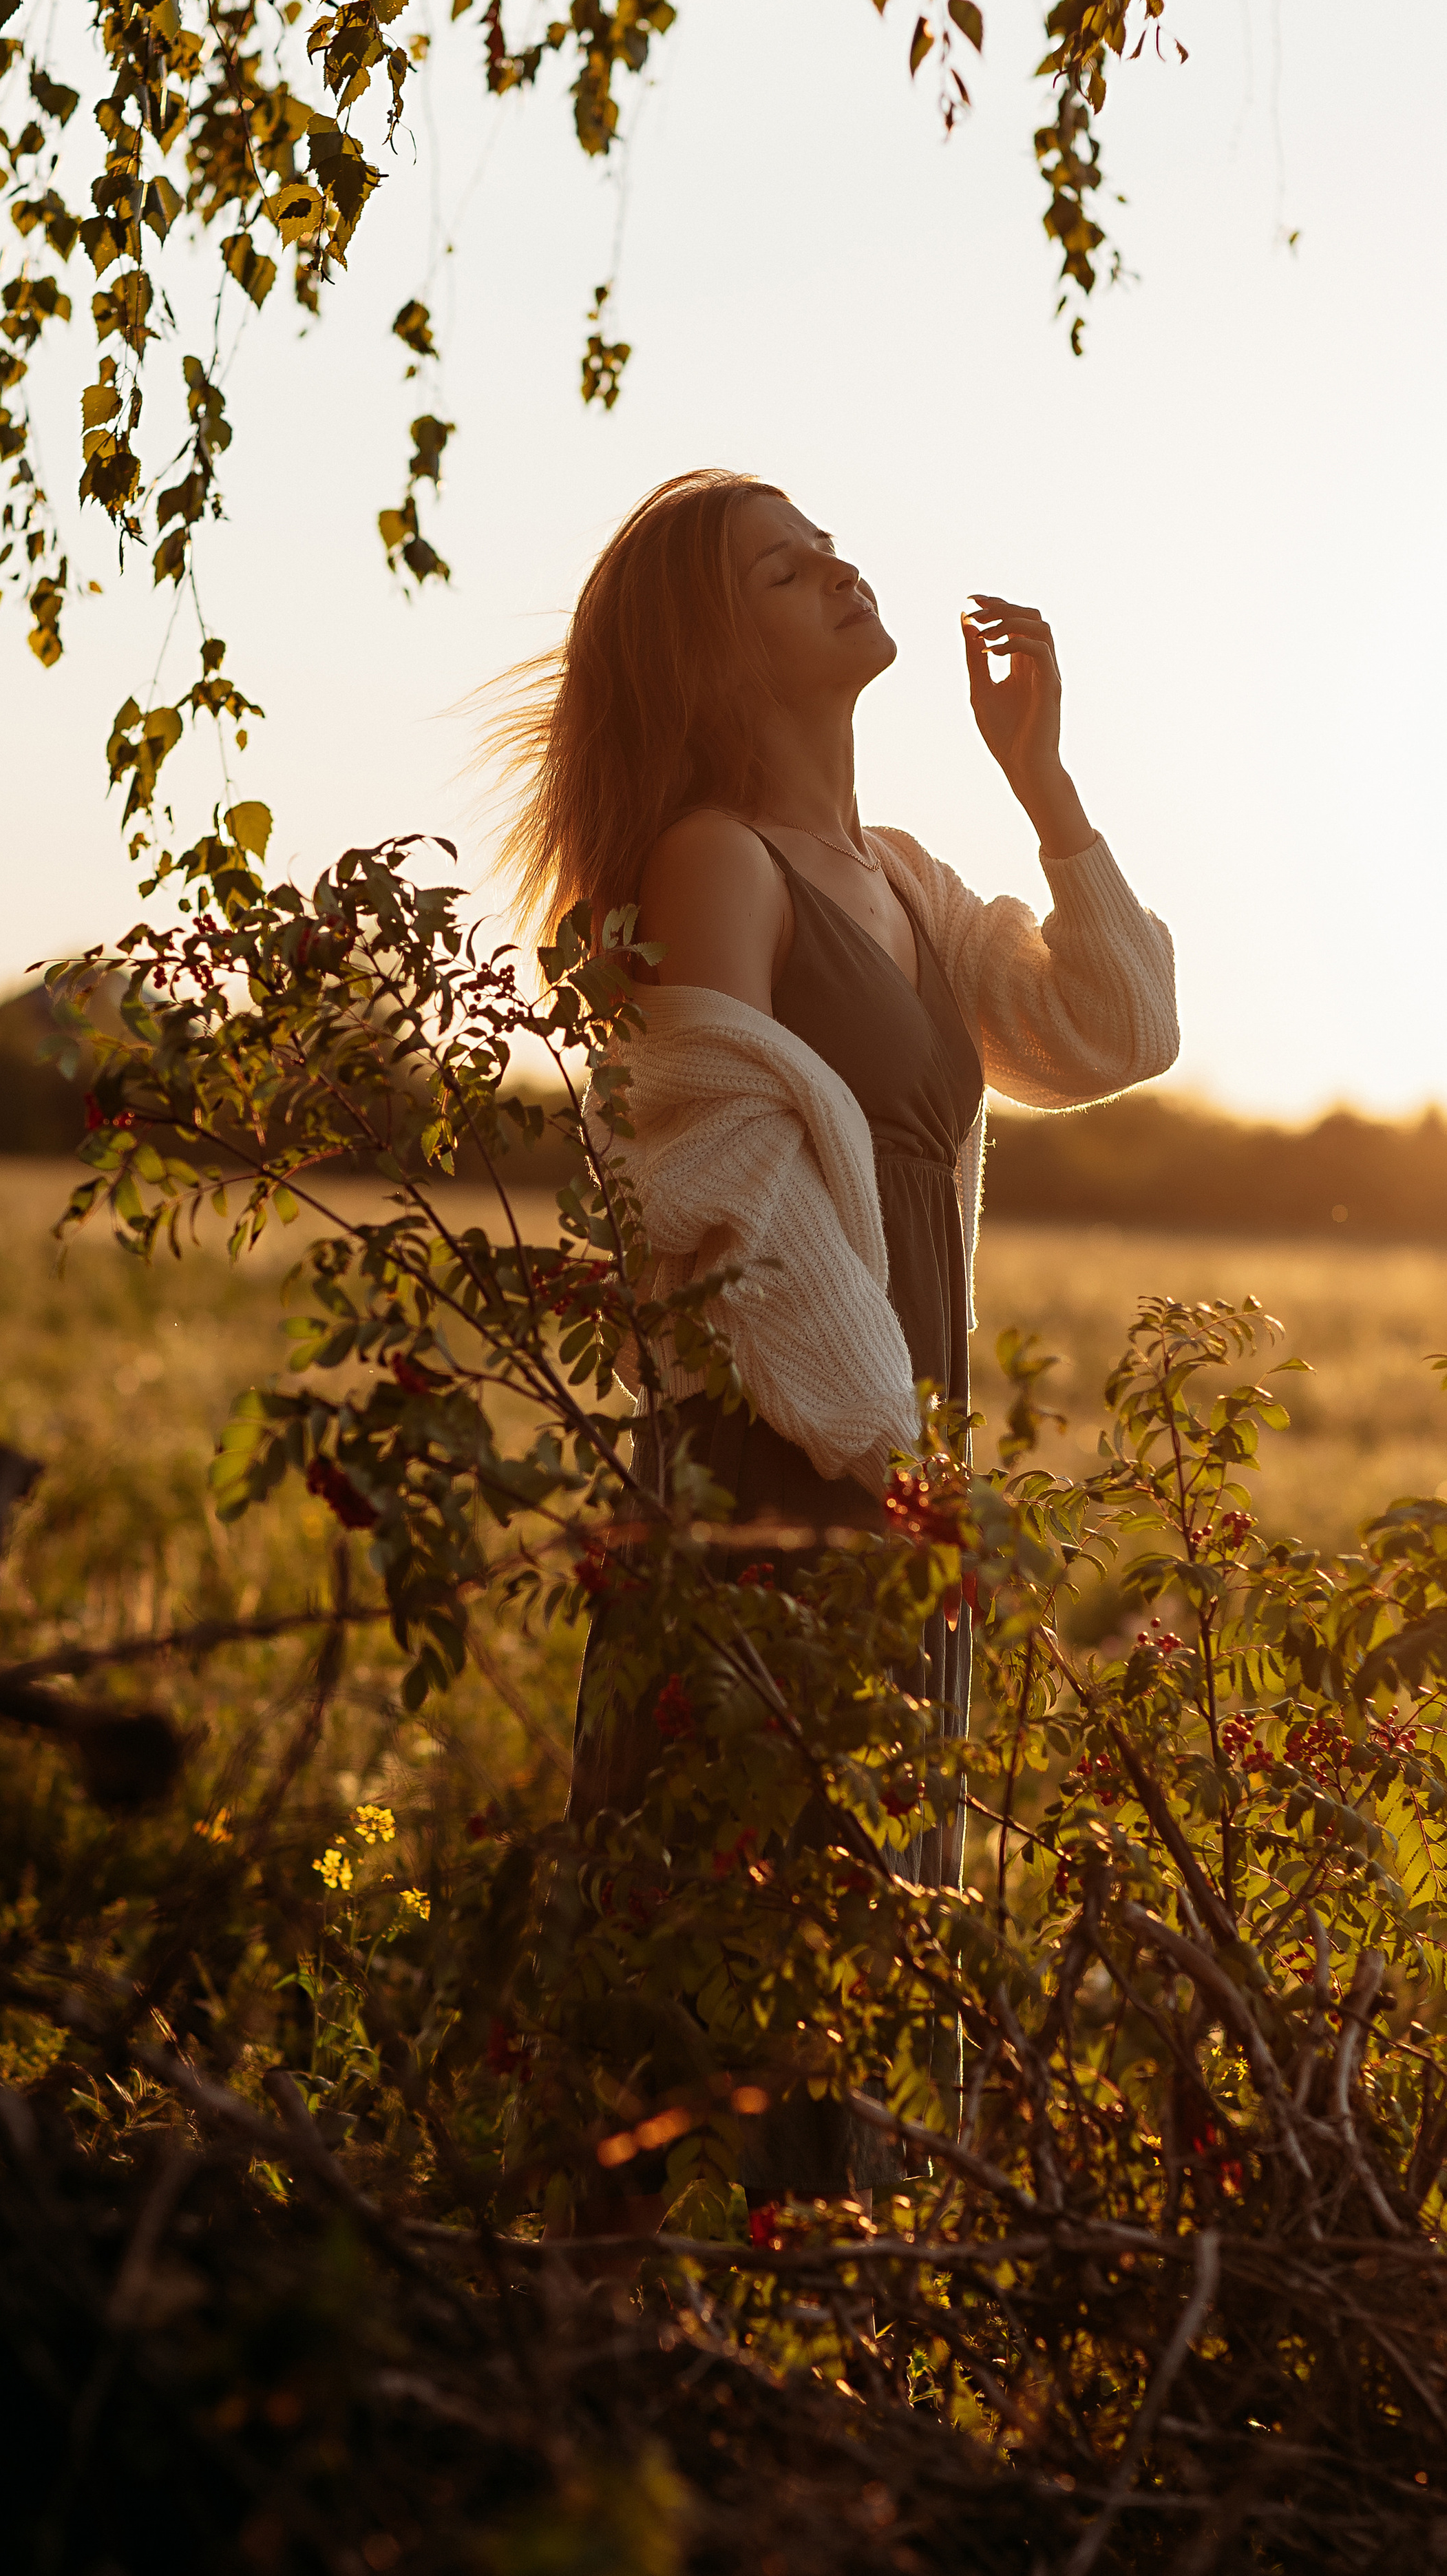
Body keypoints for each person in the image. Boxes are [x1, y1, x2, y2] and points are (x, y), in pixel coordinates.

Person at [495, 467, 1180, 2215]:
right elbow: (712, 1185)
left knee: (871, 1933)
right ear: (713, 659)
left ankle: (836, 2376)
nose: (838, 573)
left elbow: (1116, 1028)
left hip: (885, 1493)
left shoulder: (895, 879)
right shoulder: (713, 862)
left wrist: (1041, 783)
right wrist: (890, 1457)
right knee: (744, 1927)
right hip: (776, 1485)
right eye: (784, 572)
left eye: (825, 550)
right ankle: (681, 2371)